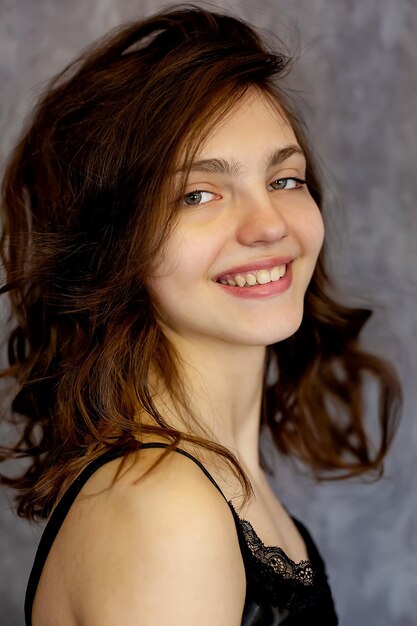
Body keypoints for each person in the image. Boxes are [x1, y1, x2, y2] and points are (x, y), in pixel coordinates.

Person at [0, 5, 402, 626]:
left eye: (285, 179)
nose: (269, 224)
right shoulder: (166, 511)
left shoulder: (216, 480)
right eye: (198, 194)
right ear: (117, 245)